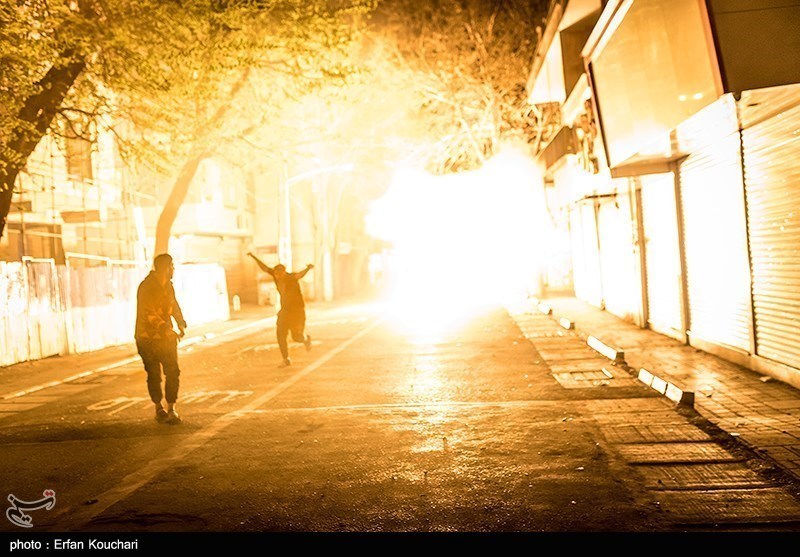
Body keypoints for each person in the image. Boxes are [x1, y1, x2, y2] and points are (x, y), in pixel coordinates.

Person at [135, 253, 187, 424]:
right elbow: (147, 312)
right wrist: (165, 328)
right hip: (147, 339)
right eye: (171, 265)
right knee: (154, 373)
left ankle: (171, 408)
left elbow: (174, 304)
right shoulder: (146, 287)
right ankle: (159, 408)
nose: (173, 269)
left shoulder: (169, 286)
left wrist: (180, 322)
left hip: (166, 338)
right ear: (165, 268)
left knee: (173, 371)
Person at [248, 252, 313, 367]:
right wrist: (253, 257)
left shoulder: (291, 277)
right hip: (285, 310)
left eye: (280, 274)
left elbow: (299, 275)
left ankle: (305, 339)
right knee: (280, 334)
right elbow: (264, 267)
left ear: (284, 272)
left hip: (297, 312)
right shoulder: (275, 275)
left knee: (297, 337)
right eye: (276, 274)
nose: (278, 276)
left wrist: (308, 268)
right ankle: (286, 359)